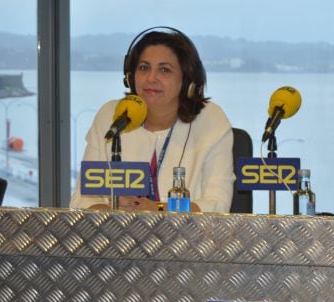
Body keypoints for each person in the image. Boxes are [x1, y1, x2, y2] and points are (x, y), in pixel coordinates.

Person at [69, 28, 234, 213]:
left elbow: (218, 205)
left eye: (165, 70)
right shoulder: (112, 115)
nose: (151, 78)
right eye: (144, 68)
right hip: (121, 236)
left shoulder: (211, 120)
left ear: (187, 81)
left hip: (187, 238)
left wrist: (158, 209)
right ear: (130, 77)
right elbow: (81, 200)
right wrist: (113, 209)